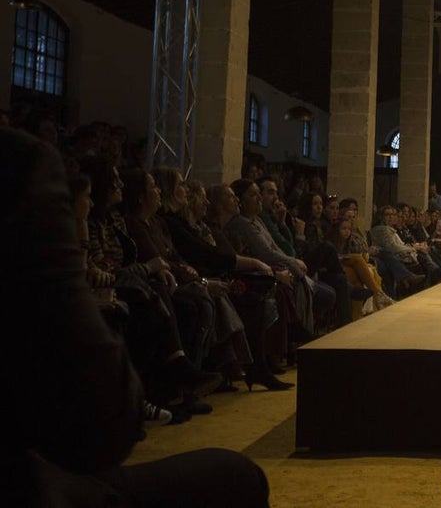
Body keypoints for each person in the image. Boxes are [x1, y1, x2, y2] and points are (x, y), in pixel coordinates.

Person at [1, 126, 269, 507]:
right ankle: (182, 374)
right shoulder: (22, 168)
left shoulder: (144, 224)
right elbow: (106, 430)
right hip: (34, 484)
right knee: (238, 476)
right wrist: (74, 244)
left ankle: (202, 371)